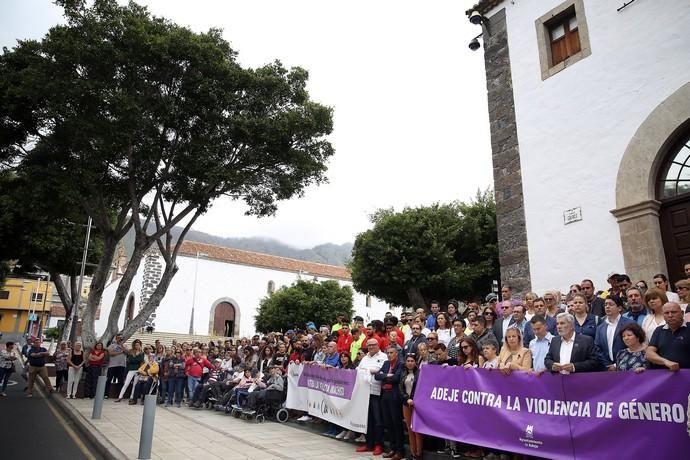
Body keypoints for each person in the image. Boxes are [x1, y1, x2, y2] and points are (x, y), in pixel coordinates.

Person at [355, 339, 387, 456]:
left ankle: (379, 445)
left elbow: (380, 371)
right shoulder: (365, 358)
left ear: (378, 345)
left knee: (378, 420)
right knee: (367, 419)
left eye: (373, 345)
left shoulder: (383, 356)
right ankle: (369, 444)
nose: (371, 347)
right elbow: (359, 369)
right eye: (369, 345)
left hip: (377, 392)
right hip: (364, 392)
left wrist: (369, 371)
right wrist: (369, 371)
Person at [374, 345, 405, 460]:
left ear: (396, 353)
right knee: (388, 423)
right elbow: (377, 376)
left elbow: (397, 378)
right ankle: (392, 448)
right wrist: (387, 375)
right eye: (388, 353)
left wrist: (384, 376)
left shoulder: (400, 364)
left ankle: (400, 450)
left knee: (396, 423)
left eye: (391, 352)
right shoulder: (386, 363)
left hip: (394, 395)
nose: (389, 355)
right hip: (385, 395)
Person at [645, 302, 690, 370]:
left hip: (686, 375)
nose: (670, 315)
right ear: (663, 315)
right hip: (664, 376)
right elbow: (649, 353)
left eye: (674, 312)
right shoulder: (659, 330)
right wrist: (665, 362)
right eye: (666, 313)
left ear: (682, 313)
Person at [595, 296, 634, 371]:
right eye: (606, 304)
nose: (607, 307)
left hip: (626, 366)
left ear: (619, 308)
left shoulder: (629, 324)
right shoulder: (600, 327)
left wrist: (617, 364)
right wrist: (607, 364)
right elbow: (597, 348)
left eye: (611, 304)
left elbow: (634, 345)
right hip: (606, 368)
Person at [399, 354, 423, 460]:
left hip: (417, 405)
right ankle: (412, 453)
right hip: (406, 404)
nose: (410, 363)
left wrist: (414, 399)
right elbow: (400, 388)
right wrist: (406, 398)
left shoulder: (420, 373)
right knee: (410, 429)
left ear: (415, 362)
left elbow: (422, 388)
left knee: (417, 430)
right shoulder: (403, 373)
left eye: (412, 361)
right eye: (408, 361)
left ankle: (419, 454)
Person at [105, 334, 127, 399]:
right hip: (112, 365)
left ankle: (120, 395)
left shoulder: (125, 346)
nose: (119, 339)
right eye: (118, 338)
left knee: (120, 380)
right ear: (116, 339)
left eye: (121, 338)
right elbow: (111, 354)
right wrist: (120, 352)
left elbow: (127, 352)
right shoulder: (112, 346)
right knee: (109, 379)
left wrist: (122, 346)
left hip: (122, 365)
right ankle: (106, 394)